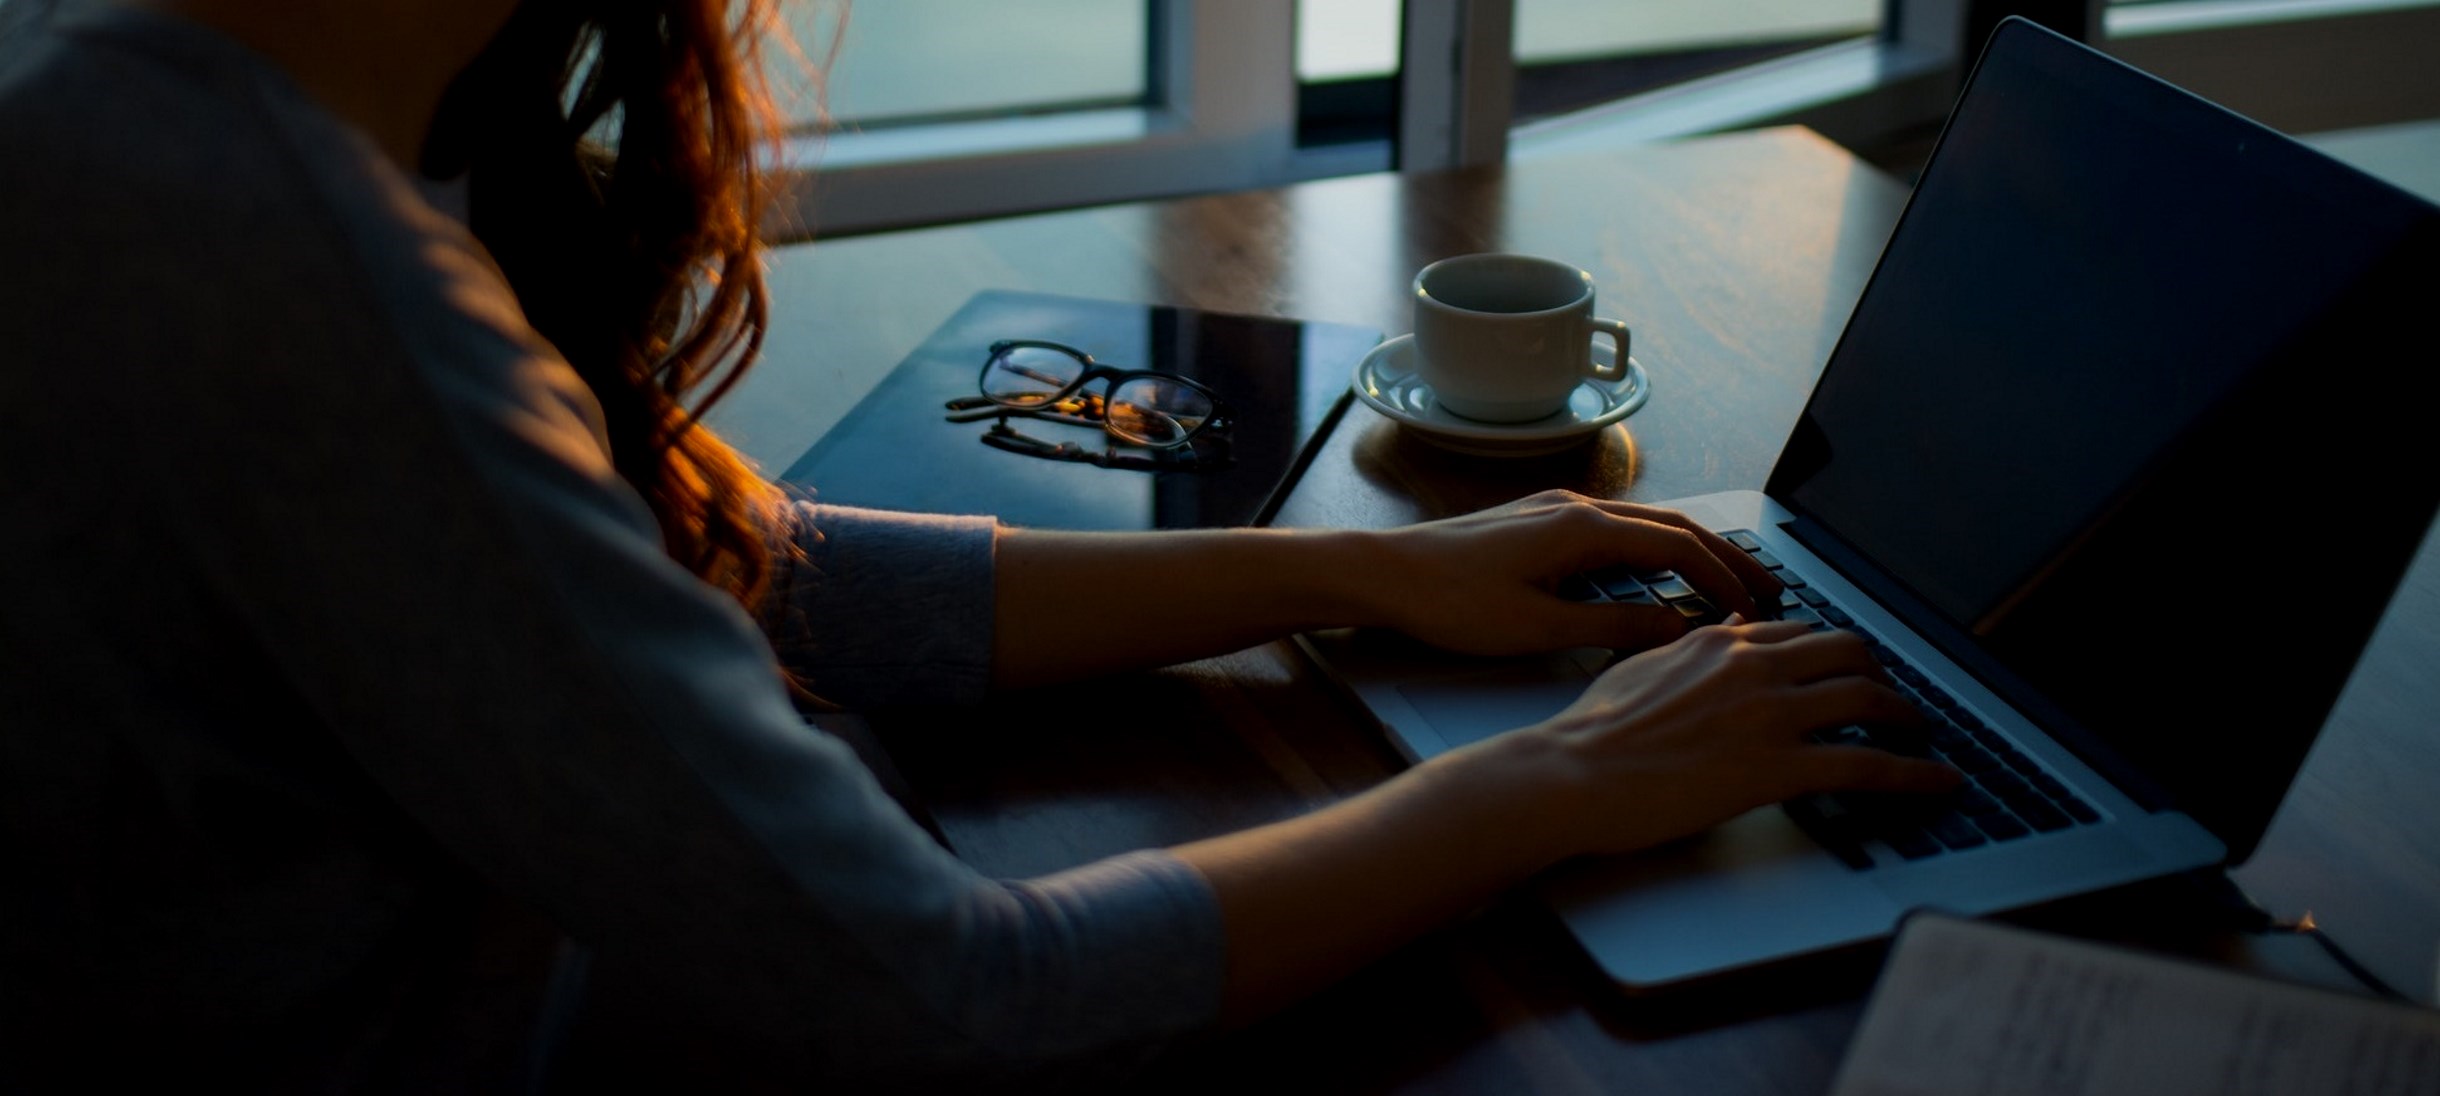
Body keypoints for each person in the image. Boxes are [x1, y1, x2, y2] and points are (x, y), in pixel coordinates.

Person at [0, 0, 1957, 1091]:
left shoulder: (150, 100)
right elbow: (956, 992)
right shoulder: (268, 256)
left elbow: (675, 564)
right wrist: (1550, 779)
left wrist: (1347, 573)